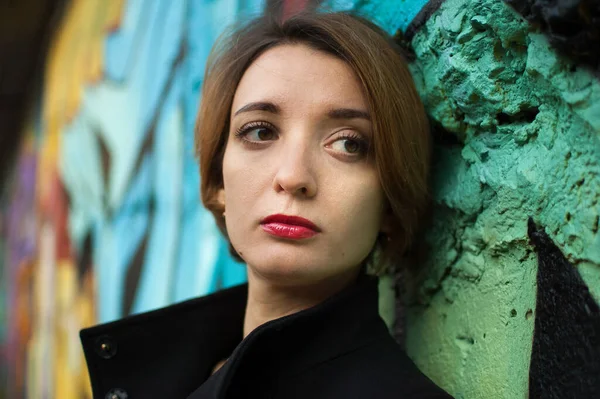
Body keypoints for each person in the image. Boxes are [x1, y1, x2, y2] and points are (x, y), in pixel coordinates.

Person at [80, 11, 453, 399]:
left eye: (348, 144)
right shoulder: (174, 372)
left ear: (390, 205)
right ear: (218, 181)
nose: (293, 176)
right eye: (260, 131)